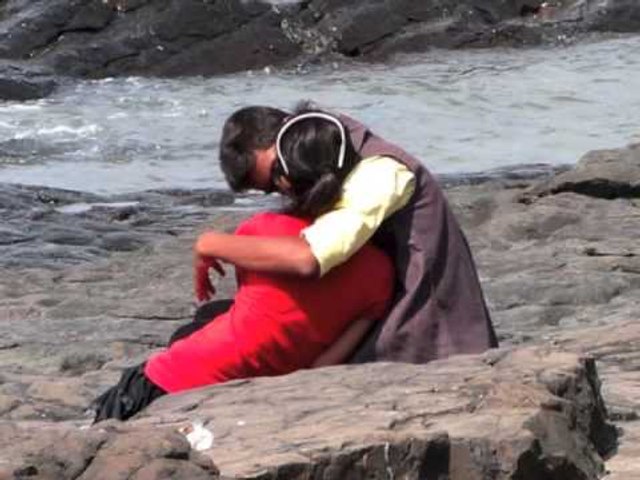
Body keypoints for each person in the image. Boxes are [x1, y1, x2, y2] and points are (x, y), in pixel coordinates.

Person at [91, 111, 394, 422]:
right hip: (247, 399)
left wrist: (208, 242)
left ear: (285, 181)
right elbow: (321, 367)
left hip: (172, 379)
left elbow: (258, 312)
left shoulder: (261, 229)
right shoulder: (382, 274)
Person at [194, 102, 498, 364]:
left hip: (428, 335)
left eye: (277, 172)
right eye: (272, 188)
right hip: (372, 312)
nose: (284, 186)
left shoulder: (380, 172)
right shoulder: (327, 153)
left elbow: (308, 258)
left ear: (291, 134)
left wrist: (211, 243)